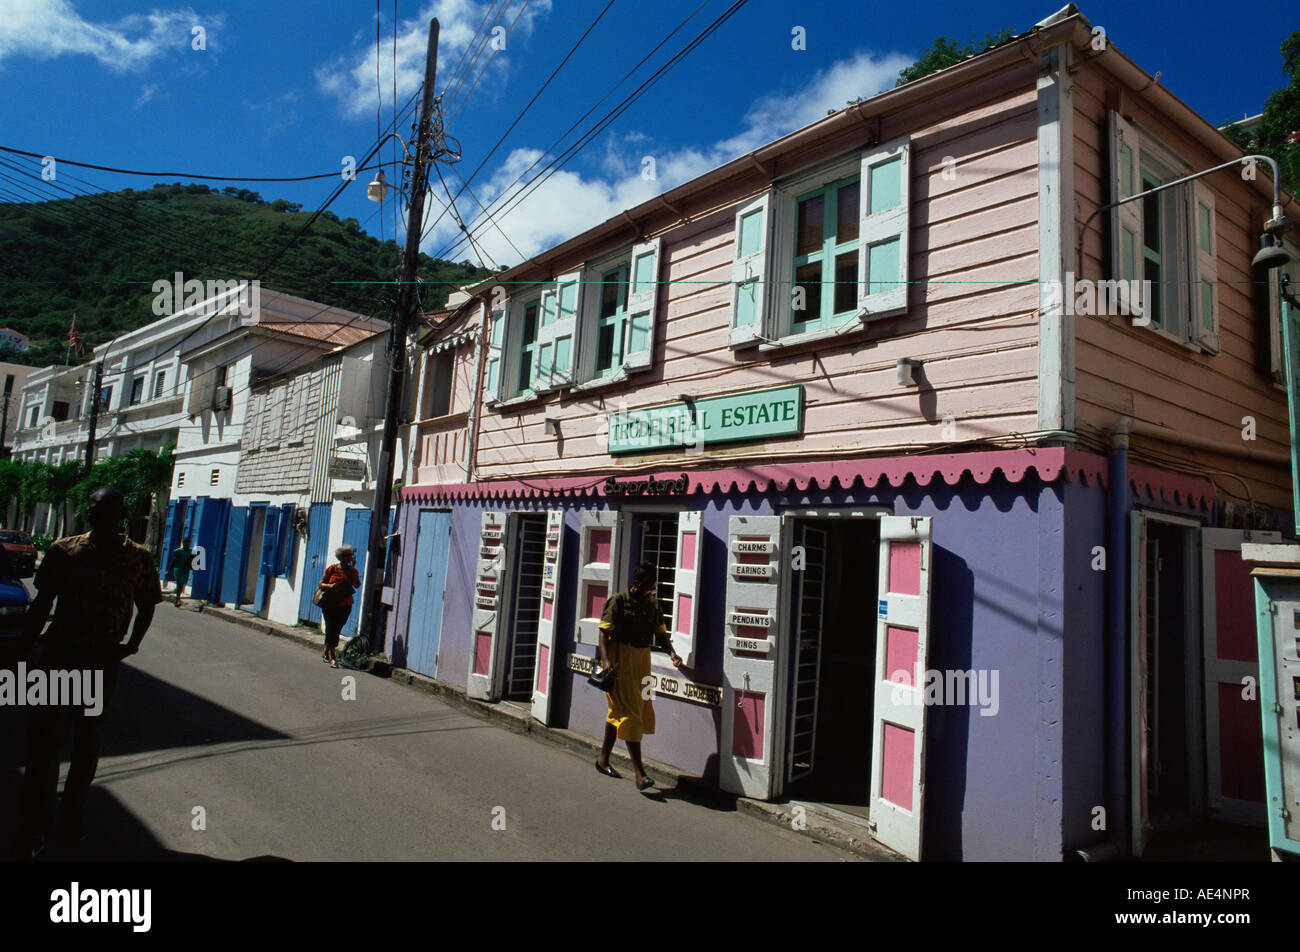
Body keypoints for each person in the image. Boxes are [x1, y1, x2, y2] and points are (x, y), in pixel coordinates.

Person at [18, 486, 162, 859]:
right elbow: (42, 604)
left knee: (86, 744)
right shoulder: (65, 551)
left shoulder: (139, 559)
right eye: (95, 508)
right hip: (59, 658)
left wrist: (132, 644)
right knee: (45, 744)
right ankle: (36, 824)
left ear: (121, 514)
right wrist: (21, 652)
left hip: (101, 663)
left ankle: (70, 821)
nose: (98, 514)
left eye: (107, 509)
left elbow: (148, 605)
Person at [593, 561, 683, 791]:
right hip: (620, 658)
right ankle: (639, 773)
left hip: (643, 661)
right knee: (630, 713)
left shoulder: (653, 605)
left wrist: (672, 653)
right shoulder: (619, 601)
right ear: (639, 583)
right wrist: (607, 663)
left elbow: (660, 634)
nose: (653, 588)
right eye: (650, 583)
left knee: (632, 709)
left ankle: (603, 760)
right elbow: (604, 632)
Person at [317, 545, 360, 668]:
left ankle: (326, 650)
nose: (347, 558)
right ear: (339, 557)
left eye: (349, 556)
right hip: (330, 603)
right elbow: (321, 584)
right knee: (331, 627)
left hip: (345, 604)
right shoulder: (332, 569)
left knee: (337, 628)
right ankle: (332, 656)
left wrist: (353, 572)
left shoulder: (352, 571)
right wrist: (330, 586)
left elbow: (357, 585)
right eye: (344, 556)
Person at [170, 536, 195, 606]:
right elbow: (174, 561)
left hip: (185, 570)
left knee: (181, 585)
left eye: (188, 543)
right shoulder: (178, 551)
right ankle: (178, 600)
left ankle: (177, 599)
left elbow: (192, 561)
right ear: (183, 543)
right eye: (185, 543)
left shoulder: (191, 552)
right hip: (178, 569)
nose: (186, 544)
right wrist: (168, 570)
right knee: (179, 584)